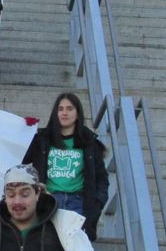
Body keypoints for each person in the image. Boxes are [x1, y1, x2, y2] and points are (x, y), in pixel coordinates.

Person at [23, 92, 108, 241]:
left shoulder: (89, 142)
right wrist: (23, 131)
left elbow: (102, 179)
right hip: (48, 201)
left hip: (78, 204)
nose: (64, 113)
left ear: (78, 113)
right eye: (60, 109)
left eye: (69, 108)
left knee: (75, 250)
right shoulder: (42, 139)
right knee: (47, 247)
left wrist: (97, 204)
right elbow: (19, 158)